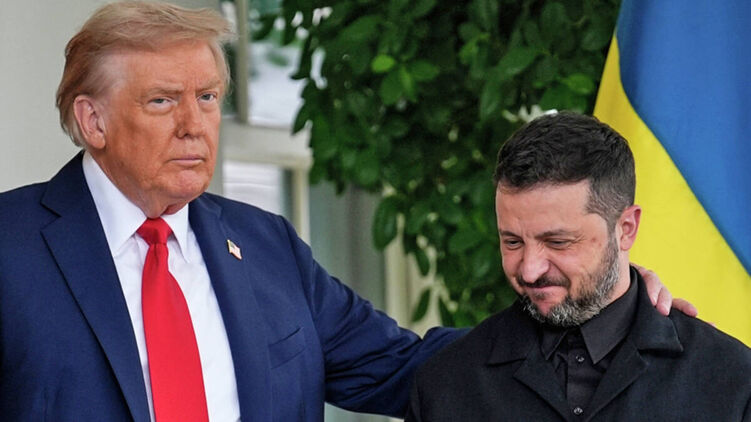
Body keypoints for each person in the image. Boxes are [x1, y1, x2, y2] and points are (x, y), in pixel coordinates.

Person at [0, 3, 688, 421]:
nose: (194, 125)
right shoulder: (12, 247)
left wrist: (601, 311)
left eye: (207, 98)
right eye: (162, 101)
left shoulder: (264, 243)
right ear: (91, 120)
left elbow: (409, 368)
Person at [406, 112, 751, 421]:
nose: (529, 270)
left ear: (626, 229)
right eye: (512, 242)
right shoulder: (444, 384)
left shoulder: (734, 382)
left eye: (558, 242)